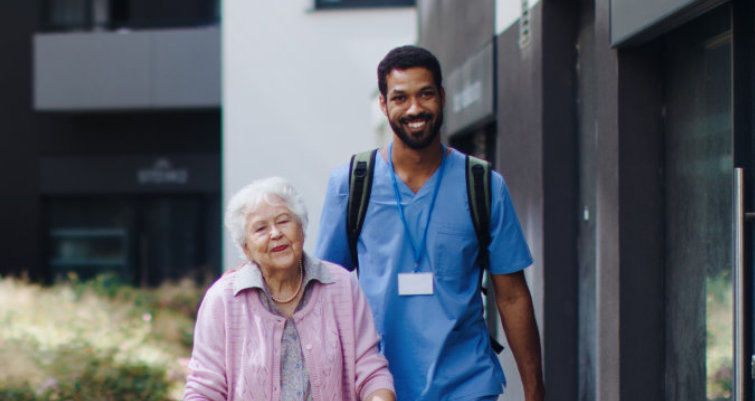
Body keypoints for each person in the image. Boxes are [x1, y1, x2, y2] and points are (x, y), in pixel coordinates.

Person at [316, 45, 546, 401]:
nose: (414, 109)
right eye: (400, 97)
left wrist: (534, 391)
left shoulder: (482, 185)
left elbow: (513, 296)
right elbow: (325, 294)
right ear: (383, 104)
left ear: (442, 96)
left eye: (425, 94)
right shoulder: (351, 184)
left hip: (467, 386)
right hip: (378, 388)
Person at [185, 177, 396, 401]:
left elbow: (369, 369)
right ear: (246, 248)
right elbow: (204, 388)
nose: (275, 233)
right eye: (261, 228)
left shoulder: (341, 286)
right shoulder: (223, 299)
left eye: (283, 221)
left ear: (301, 230)